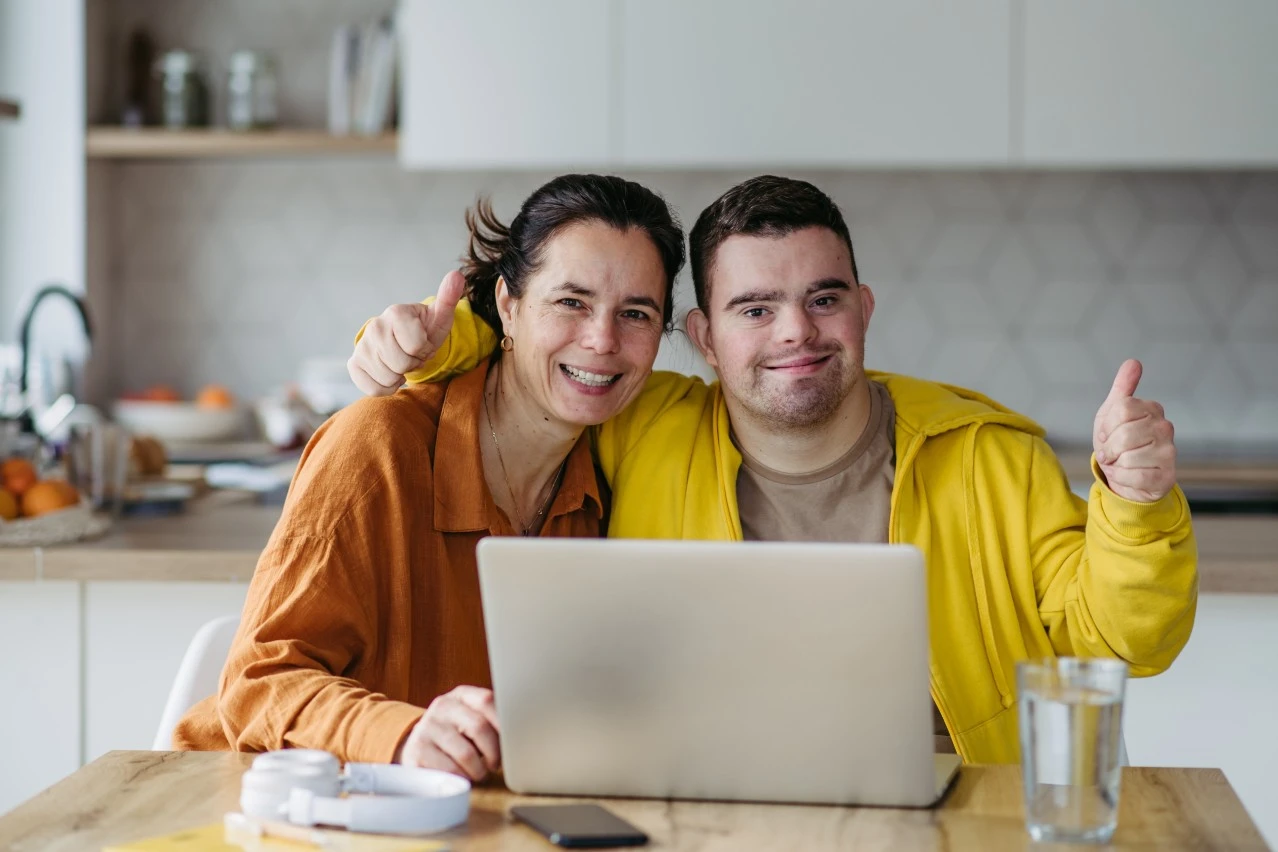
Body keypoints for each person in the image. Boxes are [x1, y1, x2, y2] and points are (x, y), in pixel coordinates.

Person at [348, 175, 1197, 764]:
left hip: (960, 812)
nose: (797, 331)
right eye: (756, 308)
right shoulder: (644, 425)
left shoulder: (990, 457)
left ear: (862, 311)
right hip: (700, 809)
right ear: (705, 338)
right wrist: (431, 343)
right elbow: (546, 358)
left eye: (824, 298)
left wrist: (1136, 501)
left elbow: (1123, 640)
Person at [173, 174, 686, 783]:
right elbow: (257, 683)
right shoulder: (377, 447)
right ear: (507, 306)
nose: (602, 340)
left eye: (635, 313)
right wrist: (406, 734)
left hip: (440, 821)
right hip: (251, 810)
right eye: (571, 302)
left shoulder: (604, 483)